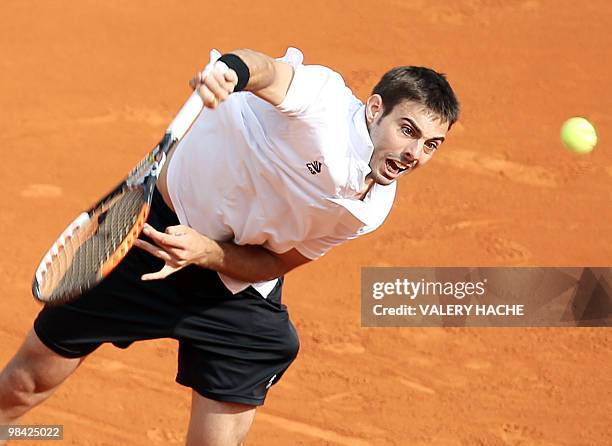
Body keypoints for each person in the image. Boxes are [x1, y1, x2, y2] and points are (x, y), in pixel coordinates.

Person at [0, 47, 459, 445]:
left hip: (231, 283)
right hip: (146, 234)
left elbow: (276, 262)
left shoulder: (372, 209)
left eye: (431, 145)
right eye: (409, 130)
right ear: (375, 108)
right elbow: (267, 70)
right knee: (23, 386)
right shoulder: (323, 102)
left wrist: (206, 253)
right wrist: (232, 72)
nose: (415, 153)